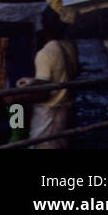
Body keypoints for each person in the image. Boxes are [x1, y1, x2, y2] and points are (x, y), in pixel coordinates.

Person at [18, 8, 78, 148]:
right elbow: (63, 76)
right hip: (65, 108)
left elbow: (43, 91)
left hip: (49, 112)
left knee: (44, 145)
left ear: (44, 25)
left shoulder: (46, 53)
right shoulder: (70, 46)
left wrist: (19, 94)